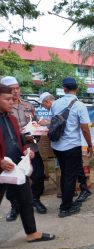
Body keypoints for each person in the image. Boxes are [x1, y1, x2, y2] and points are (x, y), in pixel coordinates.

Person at [0, 83, 55, 243]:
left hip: (17, 166)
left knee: (26, 199)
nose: (11, 102)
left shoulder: (11, 118)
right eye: (7, 99)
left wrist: (26, 150)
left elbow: (19, 140)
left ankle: (32, 233)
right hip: (2, 167)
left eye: (12, 99)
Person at [0, 76, 47, 220]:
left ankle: (35, 199)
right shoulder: (5, 107)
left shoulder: (28, 106)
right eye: (11, 89)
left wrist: (36, 133)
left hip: (30, 149)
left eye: (17, 88)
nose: (15, 91)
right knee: (10, 181)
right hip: (11, 153)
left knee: (38, 176)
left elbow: (36, 126)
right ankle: (15, 206)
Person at [51, 77, 93, 217]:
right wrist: (90, 145)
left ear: (64, 89)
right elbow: (85, 129)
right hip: (71, 146)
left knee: (65, 174)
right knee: (70, 177)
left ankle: (66, 200)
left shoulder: (55, 104)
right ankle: (65, 208)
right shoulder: (80, 105)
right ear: (77, 89)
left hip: (57, 146)